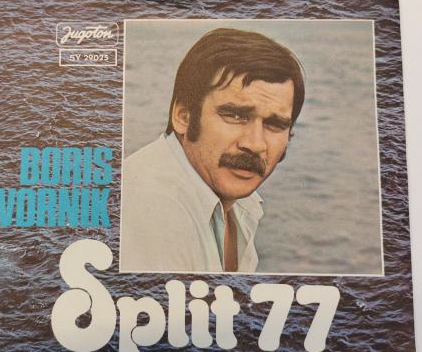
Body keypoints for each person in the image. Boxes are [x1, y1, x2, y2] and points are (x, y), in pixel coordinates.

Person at [121, 28, 305, 273]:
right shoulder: (152, 207)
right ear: (183, 116)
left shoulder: (237, 203)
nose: (255, 144)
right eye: (236, 115)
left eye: (275, 124)